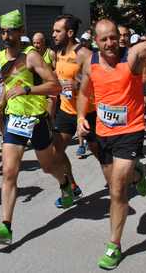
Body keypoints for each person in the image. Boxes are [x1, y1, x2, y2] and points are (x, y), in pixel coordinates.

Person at [76, 0, 146, 270]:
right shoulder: (90, 62)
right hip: (103, 131)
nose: (109, 43)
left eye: (113, 37)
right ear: (96, 40)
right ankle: (138, 173)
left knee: (117, 189)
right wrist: (82, 115)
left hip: (130, 129)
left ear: (120, 37)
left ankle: (114, 244)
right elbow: (84, 91)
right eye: (103, 38)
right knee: (114, 183)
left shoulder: (133, 55)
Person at [0, 10, 72, 245]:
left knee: (47, 166)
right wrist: (1, 102)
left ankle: (64, 184)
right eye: (3, 31)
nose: (6, 35)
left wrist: (27, 90)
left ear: (21, 32)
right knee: (9, 172)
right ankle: (6, 226)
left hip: (36, 119)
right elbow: (8, 83)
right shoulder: (1, 57)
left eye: (11, 31)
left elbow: (55, 86)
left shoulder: (31, 56)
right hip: (14, 120)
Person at [51, 14, 95, 206]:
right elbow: (58, 77)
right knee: (56, 151)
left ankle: (134, 174)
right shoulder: (57, 53)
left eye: (57, 31)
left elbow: (97, 80)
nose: (53, 34)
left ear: (69, 33)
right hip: (66, 110)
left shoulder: (84, 53)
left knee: (102, 154)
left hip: (88, 111)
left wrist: (77, 85)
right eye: (53, 30)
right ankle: (71, 187)